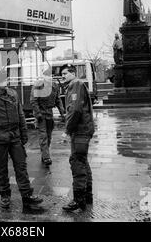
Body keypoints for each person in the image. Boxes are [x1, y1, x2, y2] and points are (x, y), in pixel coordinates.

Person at [0, 70, 43, 210]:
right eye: (2, 80)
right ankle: (5, 195)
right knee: (1, 169)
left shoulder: (13, 94)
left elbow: (20, 114)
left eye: (6, 79)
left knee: (21, 167)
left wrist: (24, 133)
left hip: (15, 138)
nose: (6, 82)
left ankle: (27, 195)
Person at [60, 64, 95, 212]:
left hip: (80, 130)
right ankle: (87, 196)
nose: (63, 76)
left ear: (73, 73)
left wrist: (67, 131)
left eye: (65, 73)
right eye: (62, 74)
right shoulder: (75, 85)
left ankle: (79, 200)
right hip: (83, 129)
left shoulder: (75, 85)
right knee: (82, 160)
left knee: (77, 162)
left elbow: (74, 110)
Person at [30, 69, 65, 167]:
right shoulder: (38, 85)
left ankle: (44, 153)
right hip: (40, 113)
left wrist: (62, 113)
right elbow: (33, 101)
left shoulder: (54, 86)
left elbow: (58, 100)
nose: (49, 77)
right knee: (43, 136)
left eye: (50, 76)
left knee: (49, 136)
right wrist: (38, 114)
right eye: (46, 76)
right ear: (43, 76)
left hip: (49, 114)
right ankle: (46, 157)